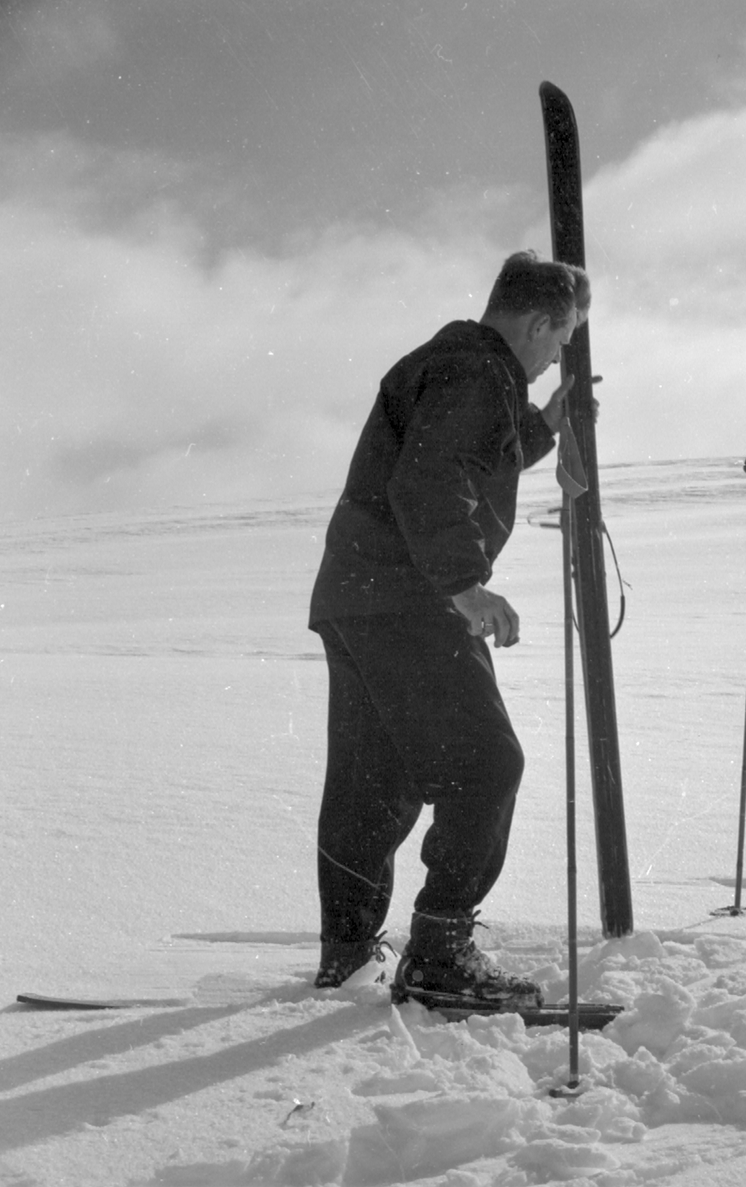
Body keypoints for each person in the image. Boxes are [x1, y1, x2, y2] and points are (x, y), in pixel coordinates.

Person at [308, 249, 590, 1006]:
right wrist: (466, 587)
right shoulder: (476, 371)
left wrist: (539, 428)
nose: (555, 356)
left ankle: (349, 950)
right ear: (538, 323)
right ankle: (440, 946)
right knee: (486, 764)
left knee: (378, 780)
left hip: (358, 595)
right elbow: (431, 477)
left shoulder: (456, 362)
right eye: (560, 341)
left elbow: (460, 452)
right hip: (411, 598)